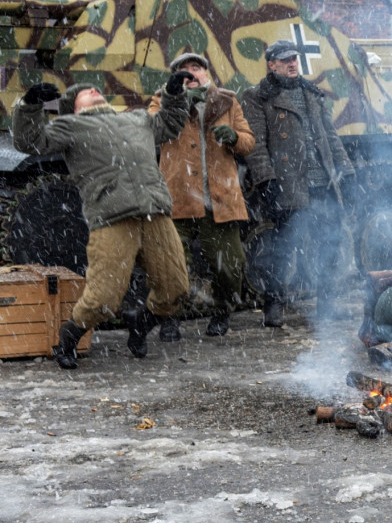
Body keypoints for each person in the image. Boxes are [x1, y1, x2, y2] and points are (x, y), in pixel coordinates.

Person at [12, 74, 194, 369]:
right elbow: (28, 140)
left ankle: (140, 324)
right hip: (111, 218)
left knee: (175, 289)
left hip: (155, 213)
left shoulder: (138, 120)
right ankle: (69, 337)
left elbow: (171, 123)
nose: (93, 90)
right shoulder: (70, 126)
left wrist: (173, 94)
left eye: (94, 88)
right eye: (84, 92)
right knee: (104, 299)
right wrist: (30, 104)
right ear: (73, 107)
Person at [240, 39, 356, 326]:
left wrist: (347, 173)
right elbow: (256, 145)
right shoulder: (258, 97)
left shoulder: (310, 94)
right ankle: (273, 305)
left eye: (295, 58)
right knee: (284, 246)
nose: (293, 63)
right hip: (289, 184)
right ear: (272, 64)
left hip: (322, 183)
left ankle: (327, 305)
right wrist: (267, 180)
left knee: (330, 243)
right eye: (285, 59)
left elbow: (330, 137)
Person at [150, 53, 255, 339]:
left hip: (218, 200)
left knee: (231, 266)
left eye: (196, 68)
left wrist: (233, 136)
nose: (190, 73)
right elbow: (153, 131)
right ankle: (169, 318)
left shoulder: (227, 101)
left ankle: (222, 312)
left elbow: (248, 141)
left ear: (206, 73)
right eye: (183, 70)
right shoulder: (162, 100)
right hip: (178, 198)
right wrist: (178, 99)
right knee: (170, 266)